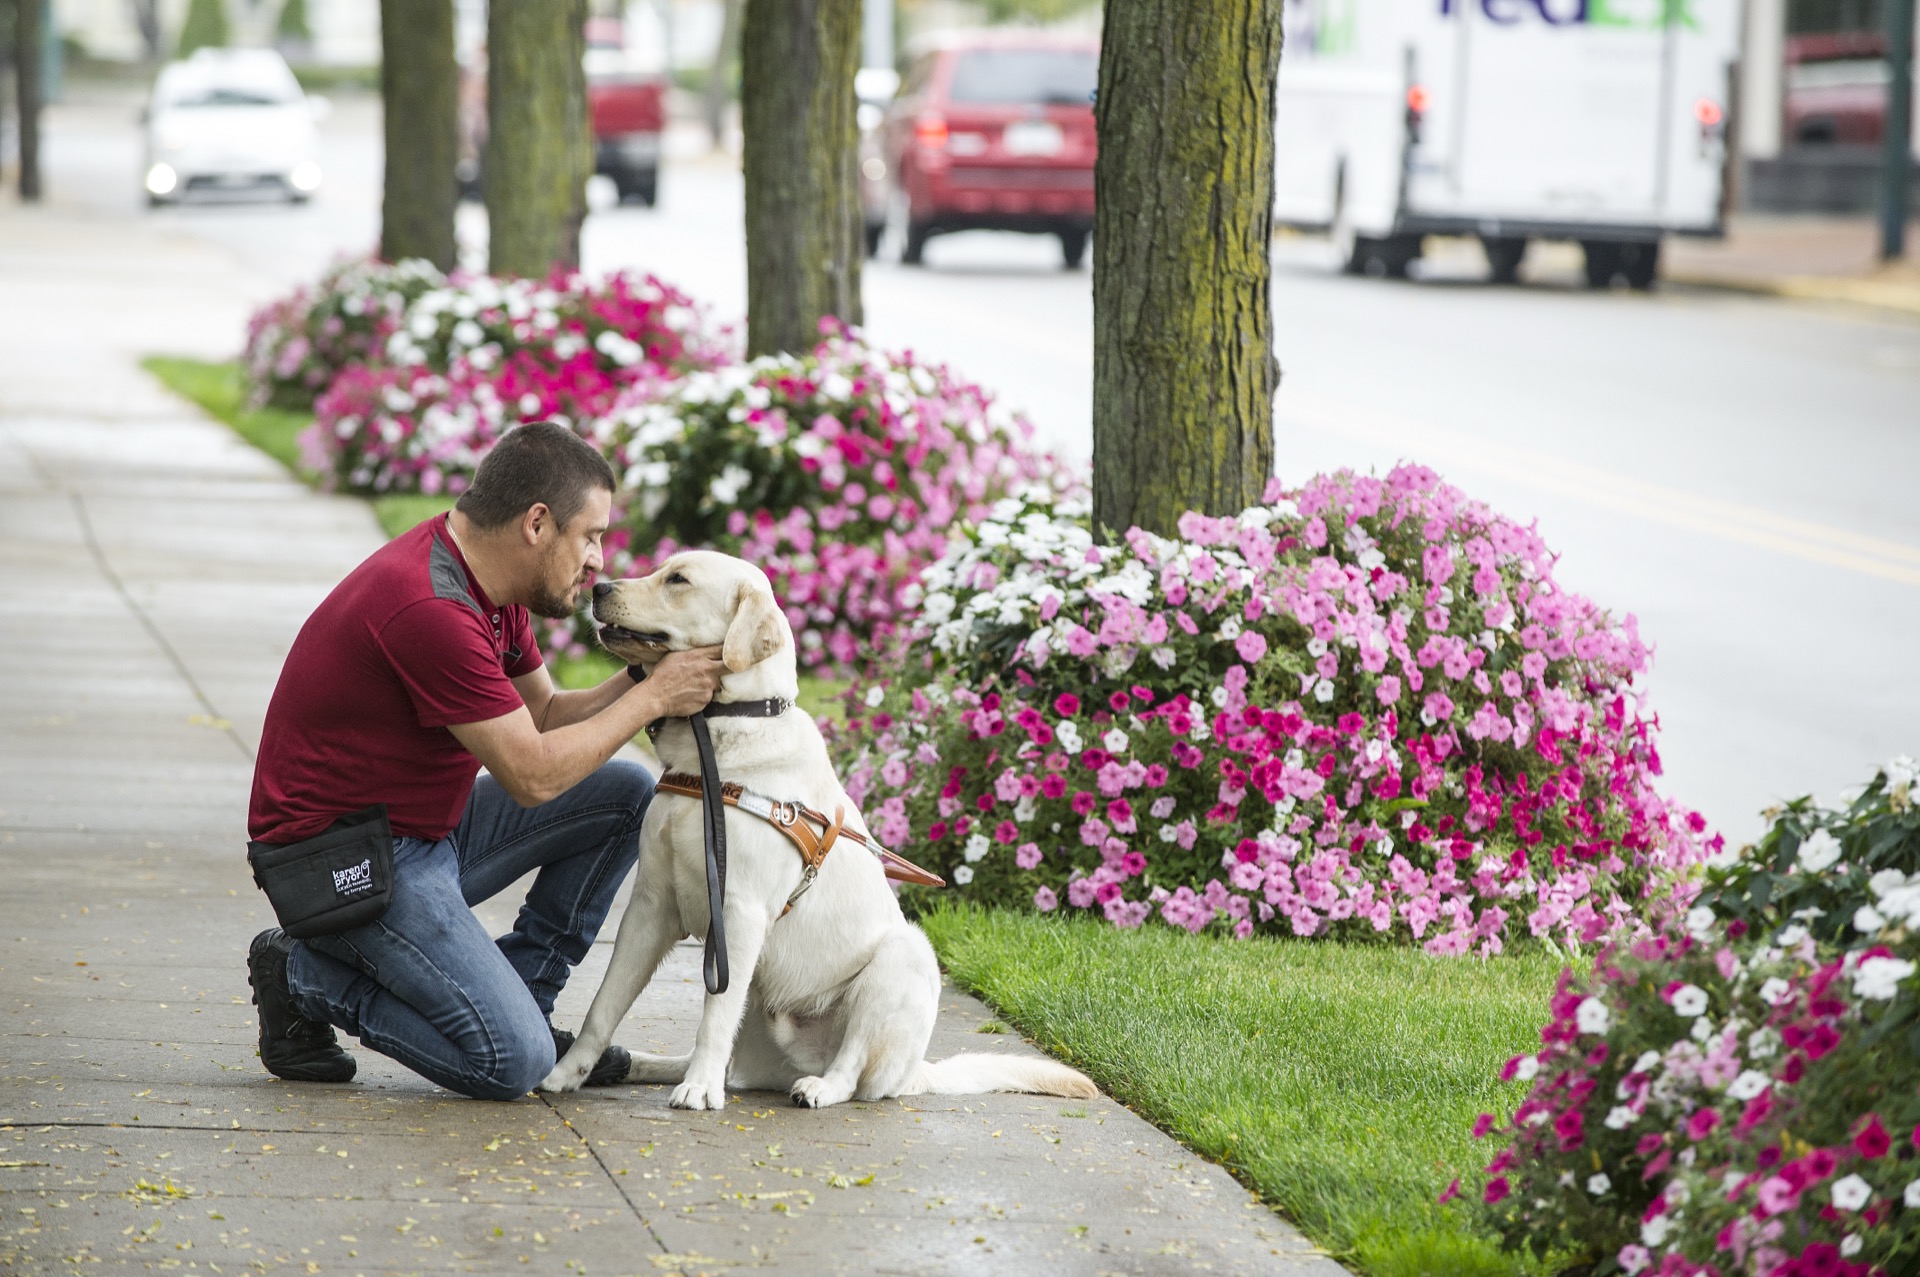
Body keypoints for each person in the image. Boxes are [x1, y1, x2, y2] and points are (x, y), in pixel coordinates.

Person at [244, 422, 726, 1099]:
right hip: (339, 863)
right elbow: (533, 775)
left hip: (421, 831)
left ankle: (524, 998)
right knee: (511, 1061)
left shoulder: (488, 584)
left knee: (621, 793)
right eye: (589, 536)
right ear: (537, 523)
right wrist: (654, 702)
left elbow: (546, 716)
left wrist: (646, 676)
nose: (596, 560)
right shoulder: (431, 607)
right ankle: (300, 975)